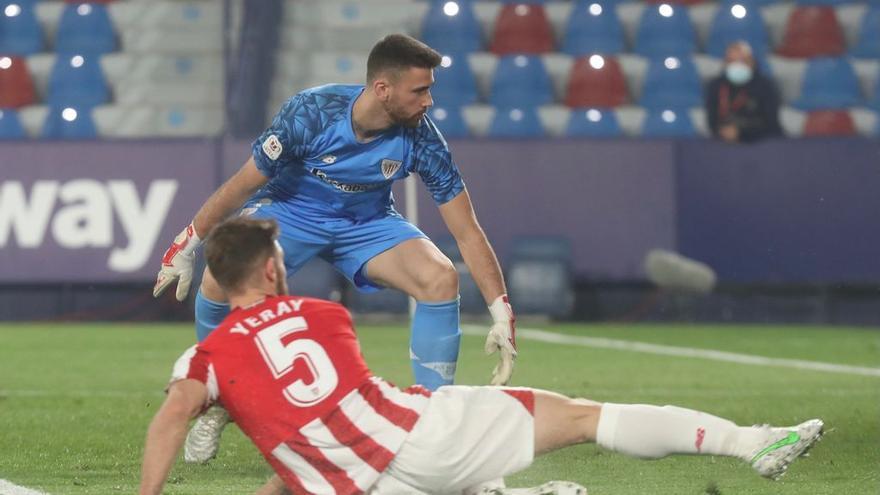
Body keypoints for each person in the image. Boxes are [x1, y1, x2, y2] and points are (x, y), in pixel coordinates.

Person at [140, 218, 824, 495]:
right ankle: (752, 443)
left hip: (365, 487)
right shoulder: (324, 315)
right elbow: (348, 415)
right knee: (585, 416)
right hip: (420, 435)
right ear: (267, 272)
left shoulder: (207, 355)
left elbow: (182, 416)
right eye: (280, 260)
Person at [151, 34, 517, 463]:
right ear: (383, 89)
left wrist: (501, 310)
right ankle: (216, 398)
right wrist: (187, 243)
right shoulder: (311, 113)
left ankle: (432, 425)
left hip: (368, 223)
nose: (429, 101)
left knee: (440, 277)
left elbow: (467, 231)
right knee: (219, 277)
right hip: (290, 211)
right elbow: (242, 184)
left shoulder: (423, 139)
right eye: (420, 90)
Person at [705, 41, 783, 143]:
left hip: (761, 142)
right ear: (725, 63)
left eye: (742, 61)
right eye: (732, 61)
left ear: (752, 62)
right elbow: (712, 121)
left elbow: (771, 122)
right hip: (724, 142)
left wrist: (741, 132)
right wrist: (723, 131)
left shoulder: (765, 86)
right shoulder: (716, 86)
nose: (737, 66)